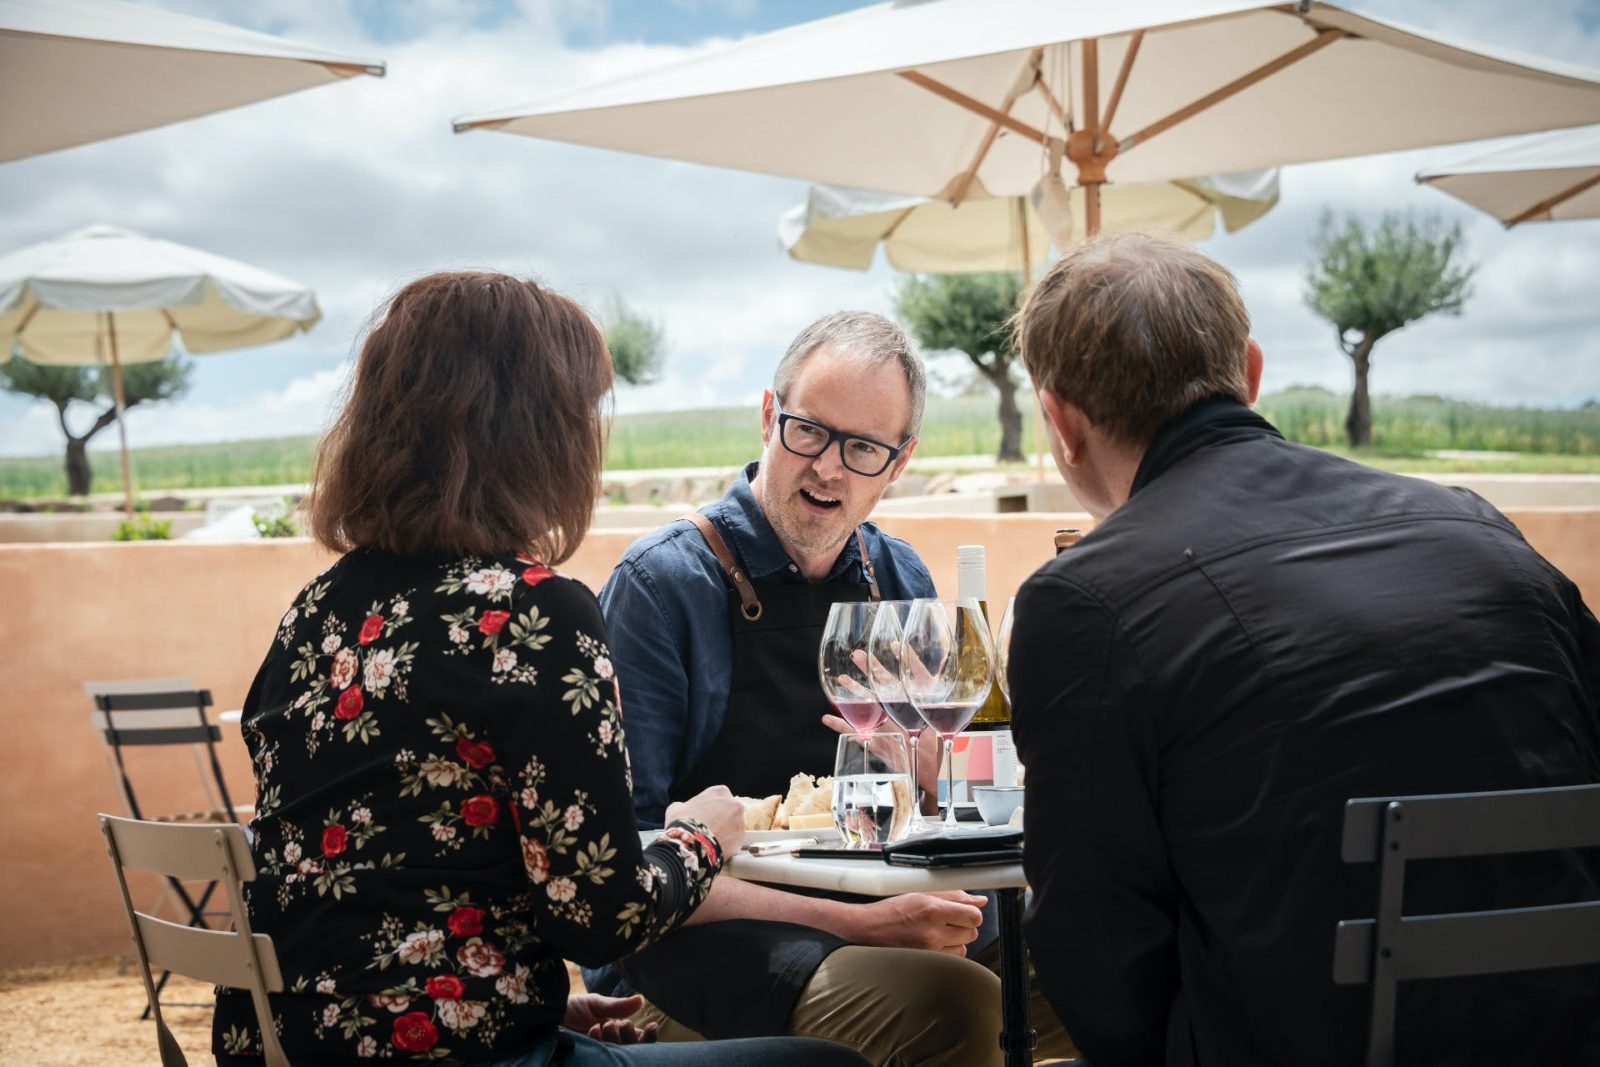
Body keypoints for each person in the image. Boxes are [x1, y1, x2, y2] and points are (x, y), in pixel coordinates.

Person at [214, 272, 871, 1067]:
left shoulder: (318, 608)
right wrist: (701, 836)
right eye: (583, 413)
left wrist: (539, 1004)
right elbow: (600, 917)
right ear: (536, 435)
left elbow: (380, 875)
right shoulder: (534, 615)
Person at [1008, 233, 1600, 1066]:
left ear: (1062, 423)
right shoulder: (1477, 529)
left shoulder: (1087, 600)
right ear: (1250, 372)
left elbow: (1095, 948)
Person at [591, 311, 1075, 1066]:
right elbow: (628, 859)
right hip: (702, 961)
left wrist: (938, 773)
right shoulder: (661, 589)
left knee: (1122, 957)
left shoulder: (899, 575)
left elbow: (965, 803)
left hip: (897, 916)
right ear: (768, 417)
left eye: (863, 447)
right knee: (954, 1003)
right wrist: (862, 925)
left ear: (900, 461)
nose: (829, 468)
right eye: (809, 431)